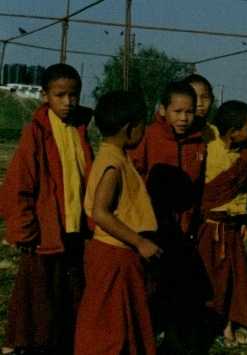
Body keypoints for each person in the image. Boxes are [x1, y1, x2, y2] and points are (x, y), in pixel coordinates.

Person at [0, 63, 94, 355]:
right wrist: (24, 228)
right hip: (45, 229)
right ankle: (30, 344)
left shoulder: (80, 129)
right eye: (60, 95)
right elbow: (19, 183)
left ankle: (63, 340)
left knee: (69, 290)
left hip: (74, 227)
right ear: (44, 96)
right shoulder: (36, 132)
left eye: (73, 95)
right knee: (38, 293)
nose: (68, 102)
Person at [74, 91, 161, 355]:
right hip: (113, 255)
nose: (144, 130)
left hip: (120, 254)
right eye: (142, 124)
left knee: (122, 320)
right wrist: (140, 242)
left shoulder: (116, 156)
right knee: (107, 326)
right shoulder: (112, 163)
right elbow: (101, 212)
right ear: (129, 127)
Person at [128, 81, 211, 353]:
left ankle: (176, 340)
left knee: (181, 284)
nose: (184, 118)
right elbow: (134, 175)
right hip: (152, 225)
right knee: (151, 284)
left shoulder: (199, 140)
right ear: (163, 110)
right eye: (177, 111)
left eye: (188, 112)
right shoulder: (149, 136)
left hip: (185, 226)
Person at [198, 100, 247, 348]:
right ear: (233, 130)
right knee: (210, 277)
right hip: (210, 226)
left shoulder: (245, 154)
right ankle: (207, 325)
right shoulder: (209, 143)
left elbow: (243, 190)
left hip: (233, 225)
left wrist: (243, 216)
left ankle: (229, 325)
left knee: (233, 278)